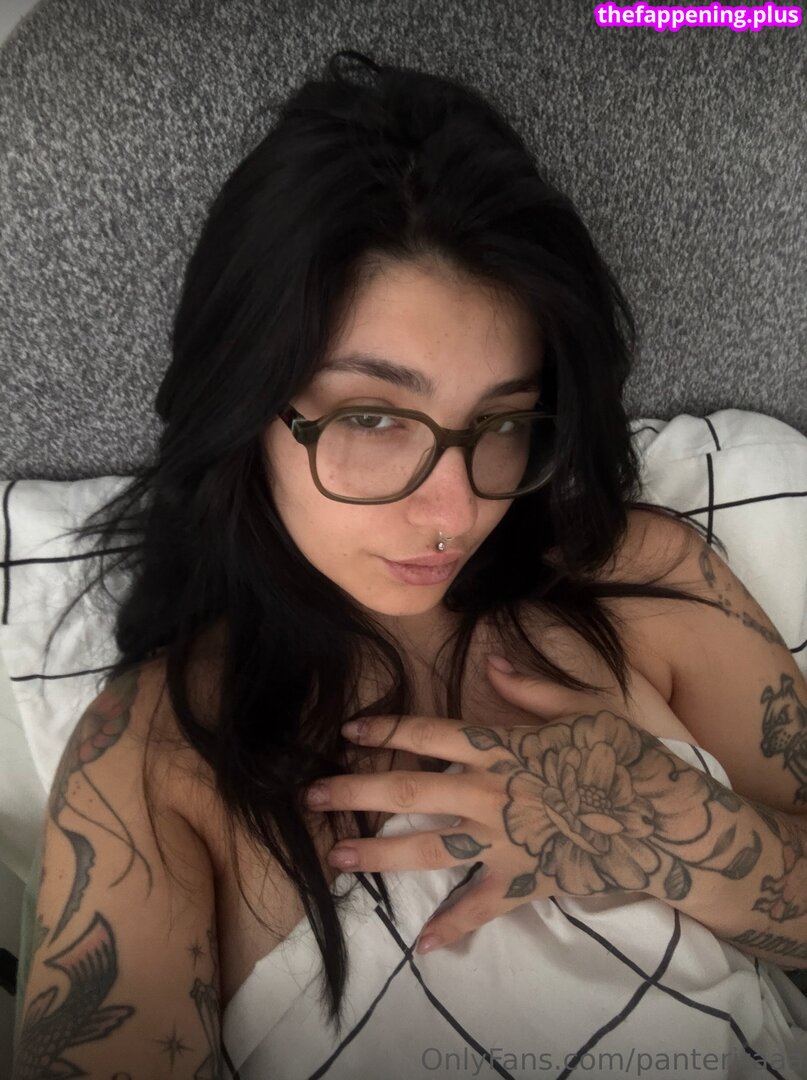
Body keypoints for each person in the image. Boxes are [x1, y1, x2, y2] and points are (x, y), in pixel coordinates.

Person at [11, 49, 807, 1080]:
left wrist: (675, 829)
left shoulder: (644, 579)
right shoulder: (155, 755)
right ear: (242, 406)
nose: (456, 510)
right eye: (372, 418)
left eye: (504, 422)